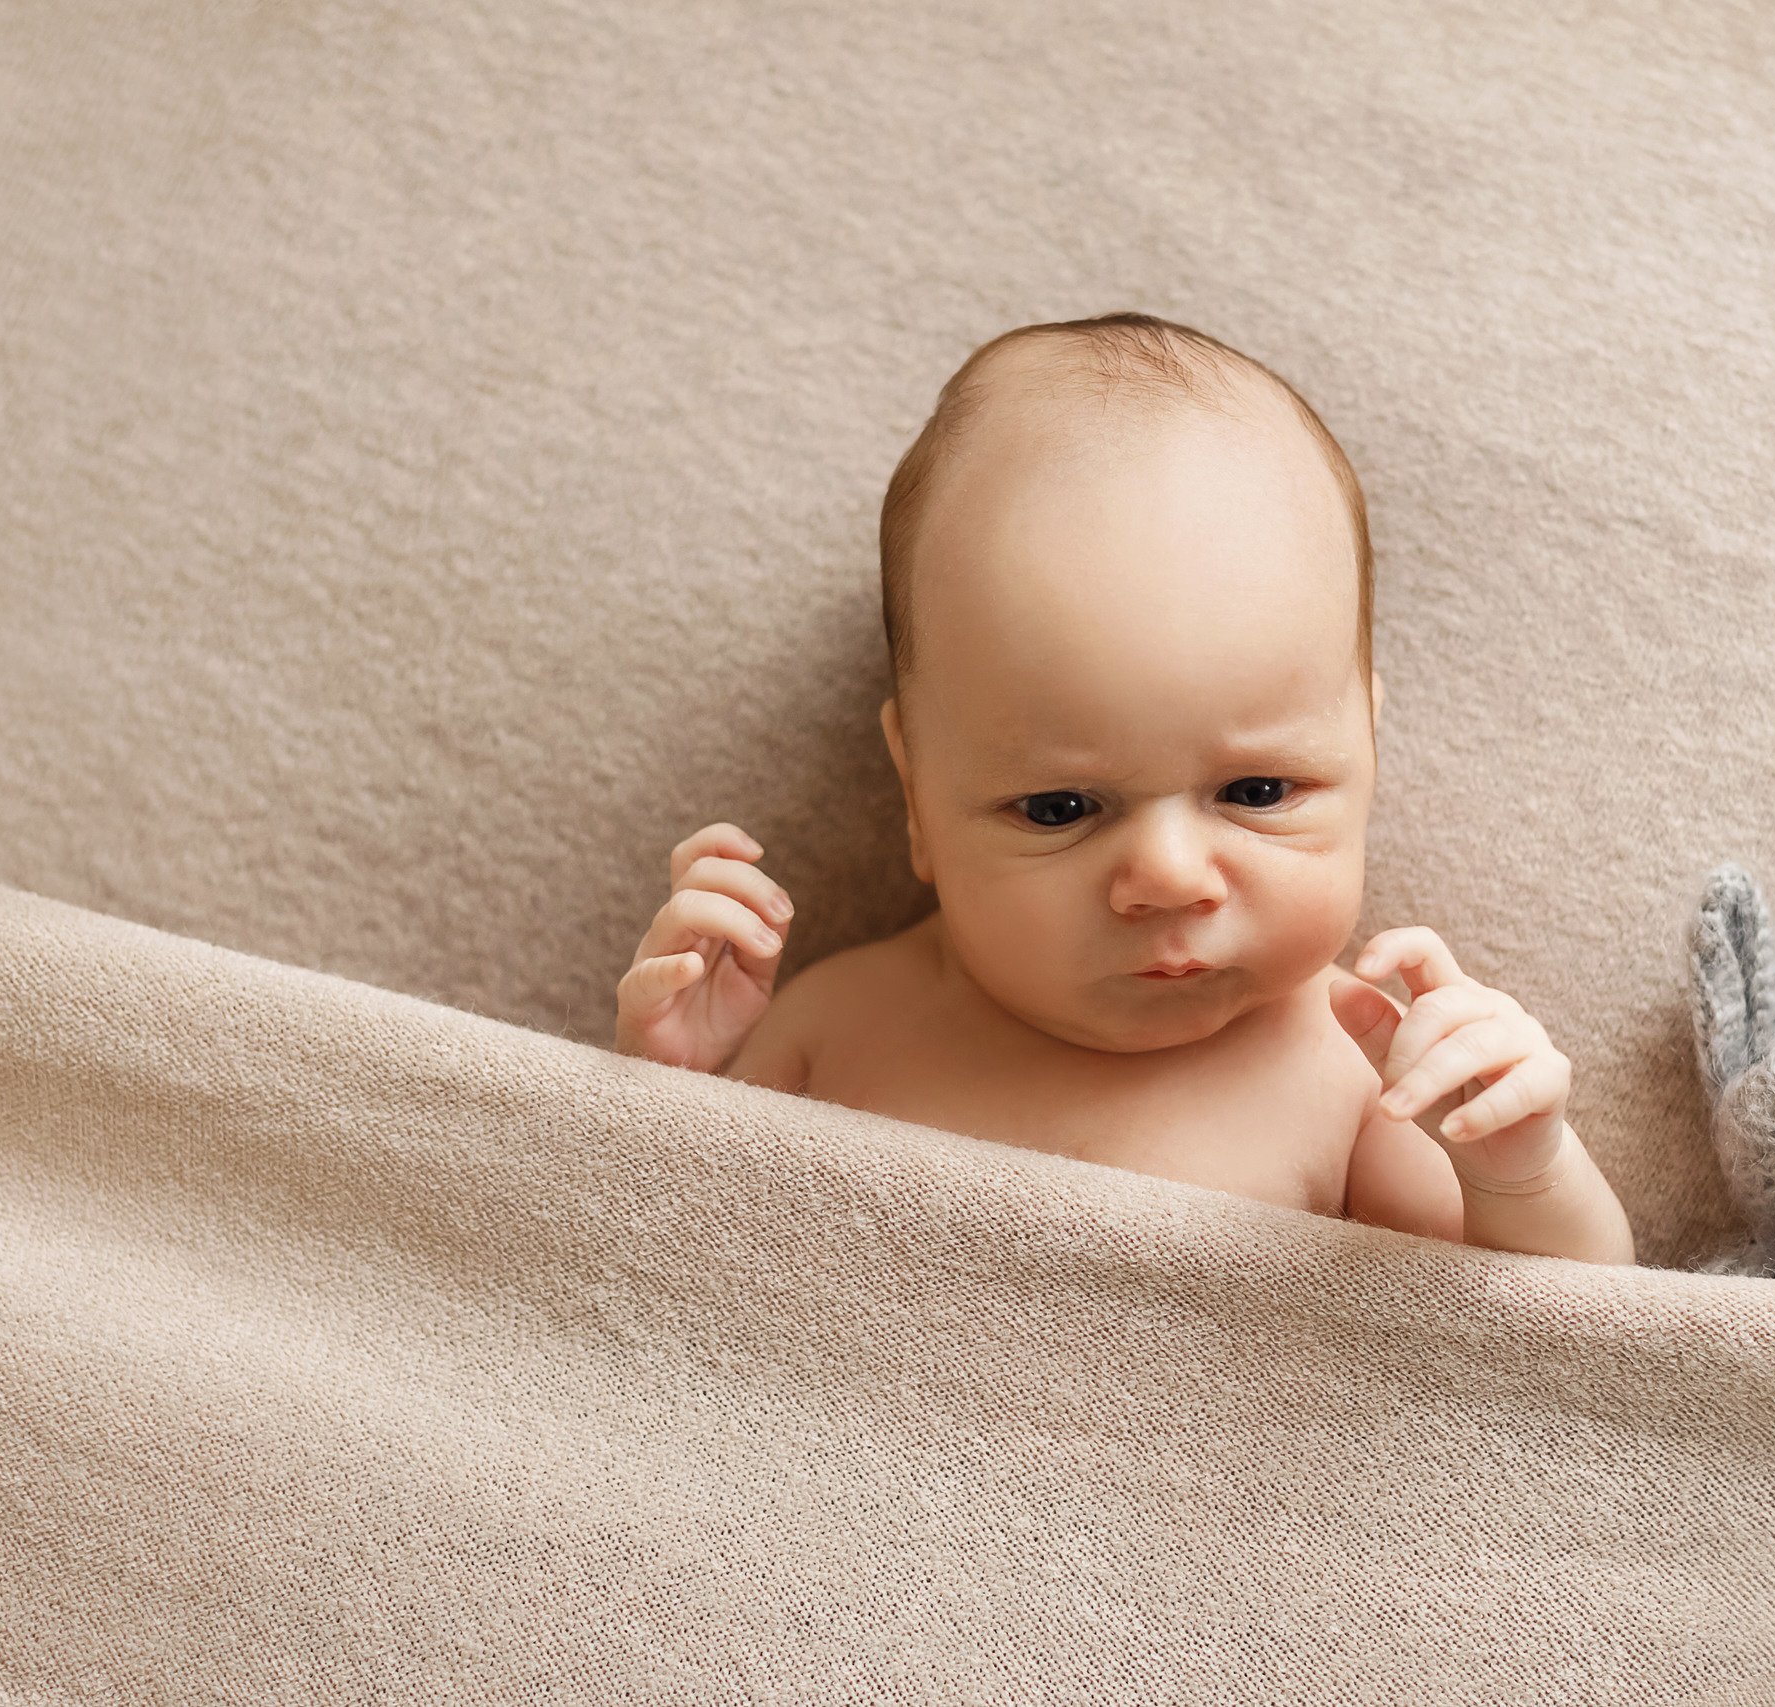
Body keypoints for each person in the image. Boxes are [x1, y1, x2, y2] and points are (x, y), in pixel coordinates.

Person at [615, 313, 1632, 1264]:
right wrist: (660, 1097)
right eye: (1061, 808)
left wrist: (1520, 1170)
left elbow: (1550, 1362)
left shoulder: (1356, 1072)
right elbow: (657, 1272)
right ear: (916, 796)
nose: (1168, 878)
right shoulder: (836, 1028)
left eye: (1258, 789)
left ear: (1366, 747)